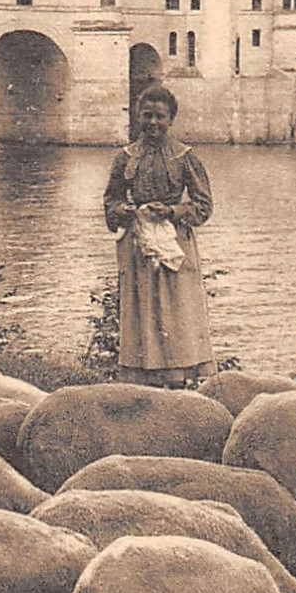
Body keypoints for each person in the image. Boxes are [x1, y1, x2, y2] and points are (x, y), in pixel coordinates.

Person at [102, 83, 214, 387]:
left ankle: (180, 377)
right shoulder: (125, 157)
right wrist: (122, 210)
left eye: (160, 117)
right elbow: (110, 198)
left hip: (174, 244)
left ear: (170, 120)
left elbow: (204, 205)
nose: (152, 122)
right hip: (139, 245)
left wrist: (174, 212)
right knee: (143, 307)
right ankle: (144, 377)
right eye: (147, 115)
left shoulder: (184, 157)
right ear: (138, 116)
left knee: (176, 308)